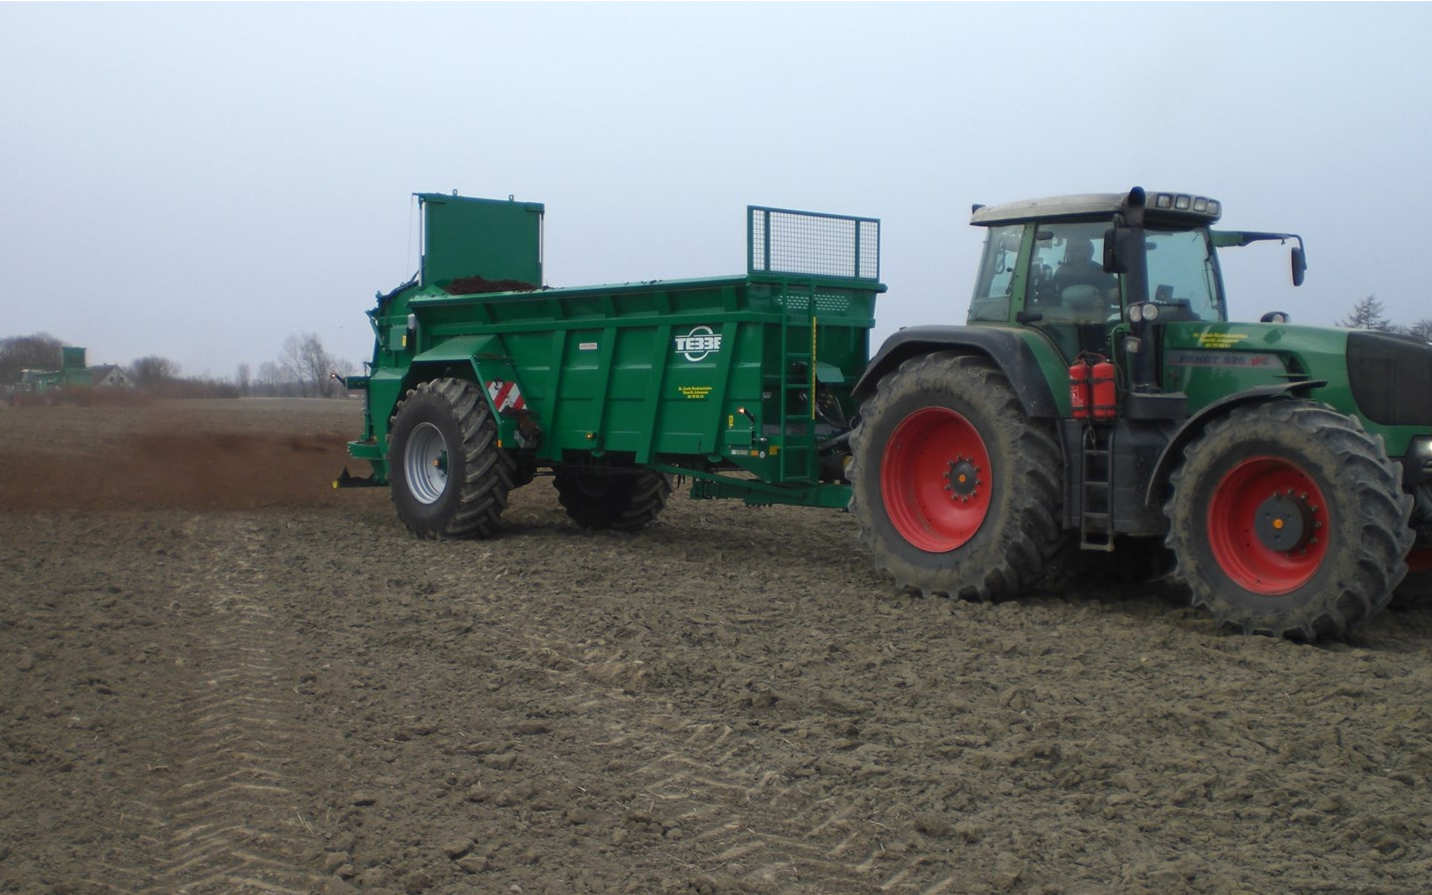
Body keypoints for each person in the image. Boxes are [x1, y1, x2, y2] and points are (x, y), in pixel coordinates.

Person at [1052, 236, 1118, 309]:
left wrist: (1109, 295)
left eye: (1088, 251)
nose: (1084, 255)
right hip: (1066, 317)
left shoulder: (1102, 271)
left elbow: (1116, 296)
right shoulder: (1062, 272)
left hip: (1099, 316)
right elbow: (1053, 297)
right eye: (1079, 251)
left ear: (1092, 253)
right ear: (1071, 254)